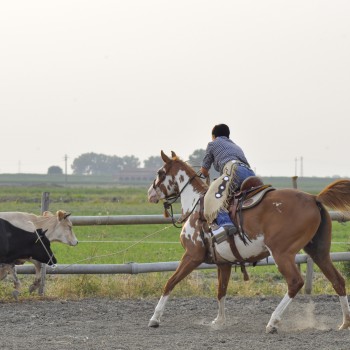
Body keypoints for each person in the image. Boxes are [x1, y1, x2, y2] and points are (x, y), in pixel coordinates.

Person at [200, 123, 255, 236]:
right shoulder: (236, 146)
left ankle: (225, 223)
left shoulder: (212, 144)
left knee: (213, 196)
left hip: (233, 171)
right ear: (227, 135)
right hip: (249, 173)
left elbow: (204, 170)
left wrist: (205, 173)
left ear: (214, 136)